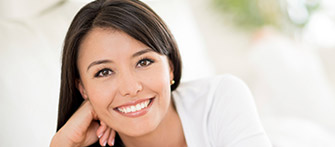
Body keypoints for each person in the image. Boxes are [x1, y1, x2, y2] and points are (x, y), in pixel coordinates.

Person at [50, 0, 272, 146]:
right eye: (104, 72)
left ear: (170, 66)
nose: (130, 88)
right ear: (83, 89)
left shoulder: (220, 98)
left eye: (144, 61)